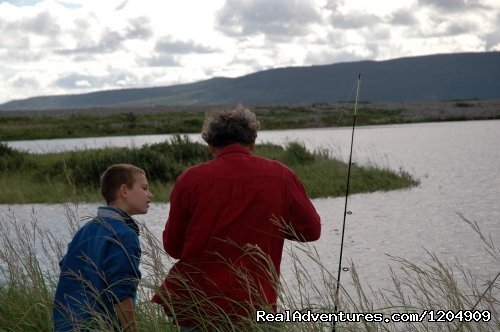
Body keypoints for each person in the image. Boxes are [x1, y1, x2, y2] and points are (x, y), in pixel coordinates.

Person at [152, 105, 321, 330]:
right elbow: (311, 231)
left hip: (197, 306)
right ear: (253, 142)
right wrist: (272, 226)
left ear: (211, 144)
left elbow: (173, 247)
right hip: (256, 305)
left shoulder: (190, 180)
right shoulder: (281, 175)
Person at [53, 163, 153, 331]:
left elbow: (67, 271)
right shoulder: (123, 234)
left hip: (66, 325)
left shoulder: (85, 231)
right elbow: (121, 292)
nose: (150, 195)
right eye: (144, 188)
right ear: (124, 191)